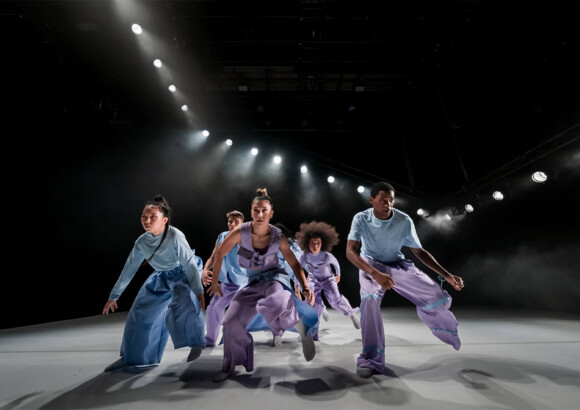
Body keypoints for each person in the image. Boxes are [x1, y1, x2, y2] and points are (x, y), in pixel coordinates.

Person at [346, 181, 465, 378]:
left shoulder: (404, 220)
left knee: (435, 293)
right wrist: (375, 273)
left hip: (396, 264)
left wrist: (447, 275)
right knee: (369, 301)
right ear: (372, 200)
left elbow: (419, 251)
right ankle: (370, 359)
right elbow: (351, 251)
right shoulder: (361, 218)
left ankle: (445, 328)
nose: (388, 203)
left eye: (391, 200)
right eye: (383, 199)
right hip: (371, 265)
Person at [209, 188, 318, 382]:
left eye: (264, 210)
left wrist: (305, 286)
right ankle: (229, 367)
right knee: (231, 322)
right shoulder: (240, 232)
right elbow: (220, 253)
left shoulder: (277, 236)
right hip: (252, 282)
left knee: (276, 300)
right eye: (256, 210)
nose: (260, 214)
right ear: (251, 212)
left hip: (274, 279)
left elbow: (294, 263)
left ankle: (299, 325)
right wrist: (216, 281)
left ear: (271, 213)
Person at [102, 195, 206, 372]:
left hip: (182, 272)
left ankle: (196, 343)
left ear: (164, 220)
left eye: (153, 217)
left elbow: (188, 263)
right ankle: (132, 358)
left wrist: (198, 291)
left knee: (182, 304)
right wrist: (114, 296)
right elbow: (129, 269)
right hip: (161, 276)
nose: (147, 220)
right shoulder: (142, 242)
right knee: (139, 313)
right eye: (144, 216)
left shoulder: (174, 235)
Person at [296, 221, 361, 340]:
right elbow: (298, 269)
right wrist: (297, 285)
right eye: (312, 243)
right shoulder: (304, 255)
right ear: (307, 243)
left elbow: (335, 263)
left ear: (322, 244)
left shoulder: (326, 255)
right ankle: (312, 333)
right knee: (312, 303)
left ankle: (352, 315)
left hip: (328, 279)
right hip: (313, 279)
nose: (315, 246)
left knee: (335, 300)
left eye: (318, 243)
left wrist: (338, 274)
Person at [201, 210, 248, 348]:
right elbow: (213, 256)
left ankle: (231, 338)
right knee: (213, 308)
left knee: (235, 312)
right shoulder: (222, 236)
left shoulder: (245, 238)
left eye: (236, 222)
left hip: (242, 282)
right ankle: (210, 339)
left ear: (242, 224)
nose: (232, 224)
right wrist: (205, 270)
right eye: (230, 221)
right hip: (227, 282)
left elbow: (251, 260)